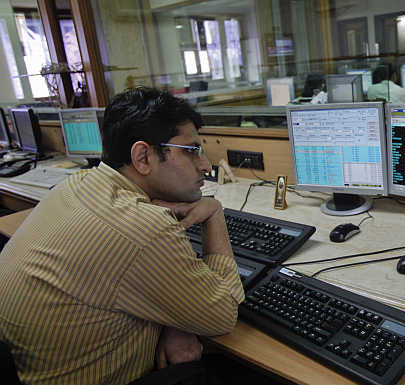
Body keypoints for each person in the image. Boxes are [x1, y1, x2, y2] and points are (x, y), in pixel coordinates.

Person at [0, 87, 245, 385]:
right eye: (191, 151)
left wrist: (176, 320)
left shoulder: (79, 184)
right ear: (143, 157)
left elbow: (125, 271)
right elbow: (222, 316)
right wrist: (215, 214)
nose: (206, 165)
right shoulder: (144, 229)